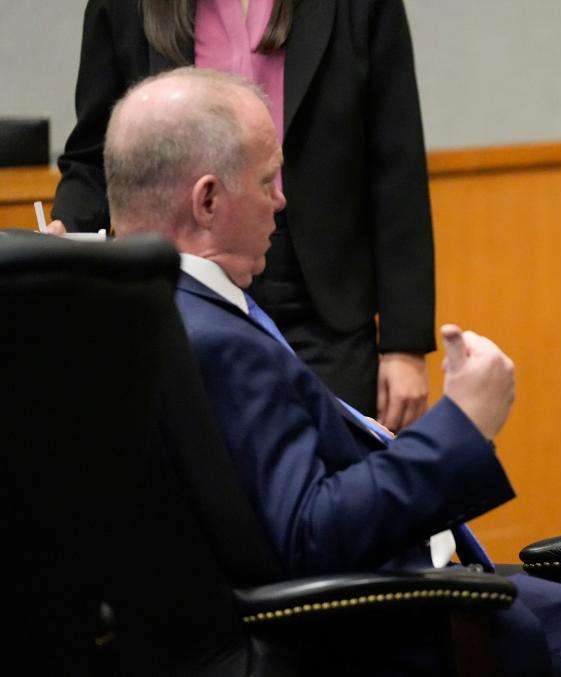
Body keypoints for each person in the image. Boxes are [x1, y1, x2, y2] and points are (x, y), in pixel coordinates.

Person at [104, 66, 561, 677]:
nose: (281, 202)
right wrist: (464, 426)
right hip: (380, 627)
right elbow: (311, 537)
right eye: (266, 181)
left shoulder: (119, 316)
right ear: (207, 200)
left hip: (327, 614)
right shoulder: (216, 342)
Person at [51, 0, 433, 430]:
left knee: (335, 474)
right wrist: (67, 233)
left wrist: (404, 347)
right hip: (182, 291)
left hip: (323, 306)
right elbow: (94, 157)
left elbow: (396, 167)